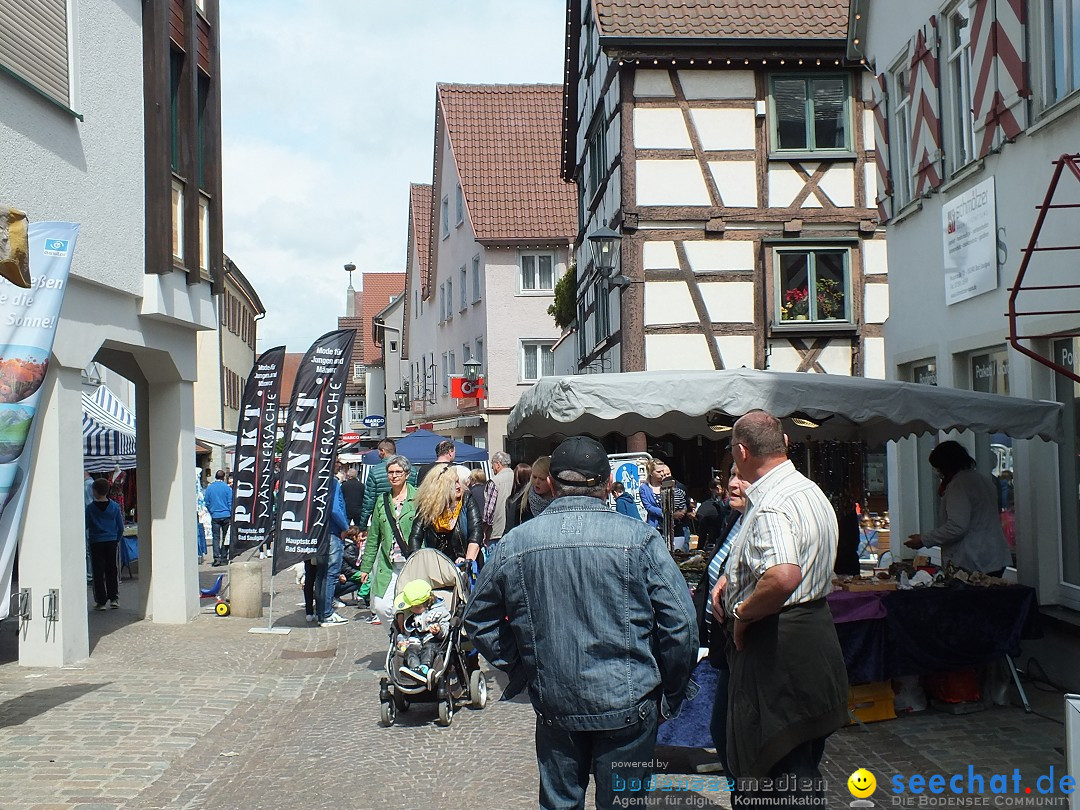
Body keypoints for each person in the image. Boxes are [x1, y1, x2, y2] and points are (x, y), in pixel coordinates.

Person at [465, 436, 697, 810]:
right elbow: (681, 624)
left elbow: (478, 619)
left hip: (559, 700)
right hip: (628, 699)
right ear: (608, 484)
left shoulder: (516, 542)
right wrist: (669, 689)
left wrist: (526, 666)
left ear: (552, 485)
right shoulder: (639, 539)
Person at [712, 411, 847, 806]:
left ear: (741, 451)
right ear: (784, 443)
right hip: (812, 635)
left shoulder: (771, 502)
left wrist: (743, 612)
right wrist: (734, 579)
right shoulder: (808, 489)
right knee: (798, 759)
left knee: (776, 767)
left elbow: (784, 575)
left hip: (779, 645)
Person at [694, 465, 745, 772]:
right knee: (723, 731)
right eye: (731, 477)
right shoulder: (735, 518)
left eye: (742, 477)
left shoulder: (760, 521)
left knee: (730, 733)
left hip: (745, 641)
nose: (733, 485)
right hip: (726, 642)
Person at [905, 440, 1012, 575]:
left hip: (972, 560)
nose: (938, 472)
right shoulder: (983, 480)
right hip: (993, 556)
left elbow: (957, 526)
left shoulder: (959, 485)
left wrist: (924, 539)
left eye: (938, 468)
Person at [358, 454, 417, 626]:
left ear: (407, 474)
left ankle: (408, 644)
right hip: (388, 564)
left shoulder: (418, 498)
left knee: (411, 605)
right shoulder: (382, 500)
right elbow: (374, 536)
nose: (394, 476)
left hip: (412, 563)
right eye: (390, 472)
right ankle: (396, 637)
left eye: (398, 472)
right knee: (381, 606)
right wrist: (366, 567)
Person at [406, 462, 482, 566]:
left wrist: (467, 561)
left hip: (464, 563)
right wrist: (415, 562)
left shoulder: (466, 500)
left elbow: (476, 532)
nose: (459, 486)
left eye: (458, 481)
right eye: (453, 483)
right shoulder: (427, 505)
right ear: (440, 487)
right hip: (437, 566)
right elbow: (415, 536)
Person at [393, 578, 451, 687]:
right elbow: (397, 607)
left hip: (433, 639)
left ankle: (424, 668)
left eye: (412, 607)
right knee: (410, 652)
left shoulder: (439, 612)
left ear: (421, 605)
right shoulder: (410, 610)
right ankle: (414, 670)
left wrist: (438, 631)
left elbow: (446, 627)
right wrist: (399, 613)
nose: (409, 609)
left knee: (428, 650)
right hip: (415, 640)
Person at [314, 476, 350, 627]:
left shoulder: (315, 480)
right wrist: (345, 527)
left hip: (318, 532)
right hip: (332, 532)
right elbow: (335, 508)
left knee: (321, 574)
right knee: (330, 574)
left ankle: (321, 612)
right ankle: (327, 613)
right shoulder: (332, 482)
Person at [86, 477, 124, 610]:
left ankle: (101, 601)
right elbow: (121, 526)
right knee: (111, 569)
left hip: (96, 541)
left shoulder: (90, 508)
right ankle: (114, 598)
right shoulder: (115, 506)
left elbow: (86, 525)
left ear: (95, 491)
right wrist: (117, 538)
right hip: (112, 540)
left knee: (98, 570)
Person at [504, 456, 552, 532]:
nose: (537, 482)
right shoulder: (522, 502)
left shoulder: (561, 502)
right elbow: (509, 531)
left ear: (551, 480)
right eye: (534, 477)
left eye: (542, 479)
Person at [485, 451, 514, 556]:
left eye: (492, 465)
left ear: (497, 464)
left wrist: (484, 530)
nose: (492, 469)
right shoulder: (517, 476)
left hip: (497, 532)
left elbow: (489, 511)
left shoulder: (495, 481)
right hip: (514, 530)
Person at [204, 469, 232, 567]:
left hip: (215, 515)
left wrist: (211, 510)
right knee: (226, 537)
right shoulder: (227, 488)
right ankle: (224, 557)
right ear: (223, 477)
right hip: (226, 514)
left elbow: (206, 501)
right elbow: (230, 502)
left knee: (216, 537)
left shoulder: (210, 488)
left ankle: (216, 558)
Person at [694, 477, 731, 551]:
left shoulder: (728, 500)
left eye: (713, 491)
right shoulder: (720, 499)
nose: (714, 494)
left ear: (718, 488)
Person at [639, 459, 666, 529]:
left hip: (669, 525)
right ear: (651, 473)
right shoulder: (644, 488)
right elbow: (648, 507)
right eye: (658, 472)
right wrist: (664, 513)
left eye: (663, 471)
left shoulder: (667, 484)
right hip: (654, 525)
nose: (662, 474)